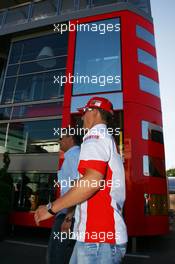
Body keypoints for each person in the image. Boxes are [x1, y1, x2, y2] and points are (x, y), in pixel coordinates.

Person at [35, 97, 128, 264]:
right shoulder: (105, 138)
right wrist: (70, 216)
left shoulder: (94, 136)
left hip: (97, 240)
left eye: (84, 112)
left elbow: (92, 181)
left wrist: (50, 209)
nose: (82, 117)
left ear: (94, 112)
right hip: (96, 238)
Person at [47, 128, 81, 264]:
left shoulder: (74, 155)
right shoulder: (72, 156)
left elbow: (75, 185)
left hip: (67, 215)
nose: (59, 140)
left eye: (62, 138)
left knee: (57, 255)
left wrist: (68, 217)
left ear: (71, 139)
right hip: (67, 213)